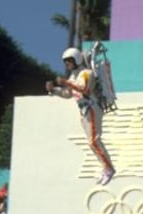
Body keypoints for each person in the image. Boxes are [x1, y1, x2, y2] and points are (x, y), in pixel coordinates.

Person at [47, 47, 116, 186]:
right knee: (92, 142)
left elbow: (83, 88)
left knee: (94, 141)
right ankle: (106, 167)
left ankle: (109, 168)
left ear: (77, 59)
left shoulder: (85, 73)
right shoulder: (74, 76)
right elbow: (68, 94)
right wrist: (53, 90)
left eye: (69, 61)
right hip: (84, 111)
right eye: (65, 62)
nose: (67, 64)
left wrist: (65, 82)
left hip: (91, 108)